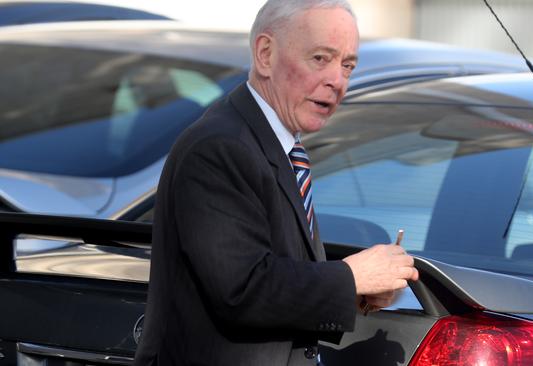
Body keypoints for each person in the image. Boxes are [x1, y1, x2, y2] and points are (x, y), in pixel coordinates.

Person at [134, 1, 418, 365]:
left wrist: (356, 291)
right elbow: (242, 289)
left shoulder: (276, 143)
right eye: (320, 58)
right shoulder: (220, 146)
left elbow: (278, 268)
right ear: (265, 54)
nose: (337, 80)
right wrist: (350, 277)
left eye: (347, 65)